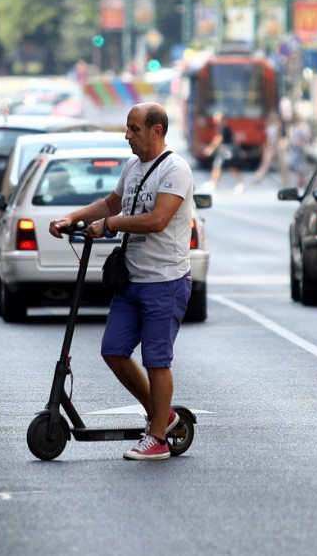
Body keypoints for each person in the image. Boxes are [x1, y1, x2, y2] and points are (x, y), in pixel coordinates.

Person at [48, 102, 194, 461]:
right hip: (131, 281)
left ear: (156, 130)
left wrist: (110, 226)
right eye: (127, 128)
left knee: (156, 360)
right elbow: (112, 202)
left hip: (165, 280)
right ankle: (165, 415)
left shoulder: (176, 169)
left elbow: (157, 219)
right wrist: (73, 217)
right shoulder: (133, 167)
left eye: (134, 129)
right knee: (113, 351)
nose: (127, 135)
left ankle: (157, 436)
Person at [204, 111, 244, 193]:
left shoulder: (224, 128)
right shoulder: (223, 127)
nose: (214, 120)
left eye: (216, 118)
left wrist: (211, 148)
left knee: (228, 167)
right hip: (224, 151)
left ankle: (241, 183)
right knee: (217, 166)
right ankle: (214, 183)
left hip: (226, 152)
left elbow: (219, 139)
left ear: (221, 119)